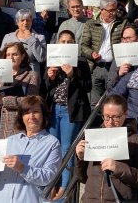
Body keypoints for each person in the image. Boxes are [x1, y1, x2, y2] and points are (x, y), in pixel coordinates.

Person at [0, 96, 62, 202]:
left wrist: (22, 168)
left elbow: (48, 177)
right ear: (21, 116)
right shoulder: (9, 141)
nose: (31, 117)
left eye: (36, 112)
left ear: (43, 115)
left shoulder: (52, 143)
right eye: (26, 113)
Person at [75, 95, 138, 202]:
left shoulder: (136, 141)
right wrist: (80, 159)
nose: (110, 122)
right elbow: (82, 178)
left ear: (125, 114)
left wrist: (118, 168)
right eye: (106, 116)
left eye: (116, 117)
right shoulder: (94, 138)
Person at [45, 30, 92, 199]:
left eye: (69, 41)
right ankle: (53, 184)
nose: (66, 44)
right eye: (63, 41)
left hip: (70, 111)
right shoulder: (52, 61)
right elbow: (45, 89)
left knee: (67, 148)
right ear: (58, 43)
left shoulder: (81, 62)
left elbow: (88, 87)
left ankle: (64, 188)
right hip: (53, 110)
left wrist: (72, 75)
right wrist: (49, 78)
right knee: (53, 148)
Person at [81, 0, 128, 107]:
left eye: (115, 10)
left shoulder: (122, 23)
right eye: (110, 10)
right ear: (101, 10)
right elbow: (83, 46)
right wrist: (91, 54)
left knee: (112, 100)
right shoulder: (90, 24)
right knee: (94, 104)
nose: (113, 13)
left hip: (113, 67)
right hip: (96, 67)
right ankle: (96, 124)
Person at [0, 42, 38, 138]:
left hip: (15, 124)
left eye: (15, 54)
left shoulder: (31, 75)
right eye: (8, 55)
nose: (11, 57)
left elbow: (31, 101)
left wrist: (5, 100)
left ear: (22, 56)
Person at [1, 9, 46, 77]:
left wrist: (31, 38)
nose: (25, 23)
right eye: (22, 20)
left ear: (31, 22)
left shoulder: (39, 38)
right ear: (17, 22)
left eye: (28, 20)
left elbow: (42, 58)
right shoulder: (8, 37)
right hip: (11, 74)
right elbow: (1, 57)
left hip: (31, 76)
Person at [106, 23, 138, 90]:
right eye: (123, 38)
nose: (125, 42)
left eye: (128, 38)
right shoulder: (119, 57)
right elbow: (109, 86)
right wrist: (118, 74)